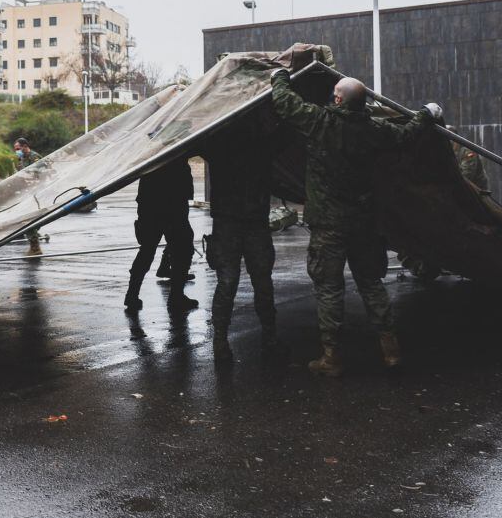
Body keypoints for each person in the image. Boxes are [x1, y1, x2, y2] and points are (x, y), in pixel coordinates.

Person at [271, 68, 440, 376]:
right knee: (371, 283)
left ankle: (332, 357)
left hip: (328, 226)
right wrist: (427, 113)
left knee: (329, 288)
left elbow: (284, 101)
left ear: (337, 99)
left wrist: (281, 75)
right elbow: (407, 135)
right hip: (363, 223)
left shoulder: (320, 122)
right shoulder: (374, 130)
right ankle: (391, 349)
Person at [205, 115, 280, 363]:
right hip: (248, 219)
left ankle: (222, 343)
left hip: (232, 220)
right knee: (259, 282)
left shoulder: (217, 139)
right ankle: (268, 340)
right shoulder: (264, 139)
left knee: (229, 282)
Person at [124, 158, 199, 315]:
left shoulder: (153, 142)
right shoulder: (176, 142)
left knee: (148, 248)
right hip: (173, 198)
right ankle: (176, 296)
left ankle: (132, 294)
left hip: (150, 197)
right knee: (182, 247)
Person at [13, 137, 43, 256]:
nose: (17, 151)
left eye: (18, 148)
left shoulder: (34, 157)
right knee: (29, 219)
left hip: (36, 192)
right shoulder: (22, 158)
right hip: (26, 192)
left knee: (30, 218)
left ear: (25, 146)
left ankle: (35, 247)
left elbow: (42, 171)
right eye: (15, 149)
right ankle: (34, 242)